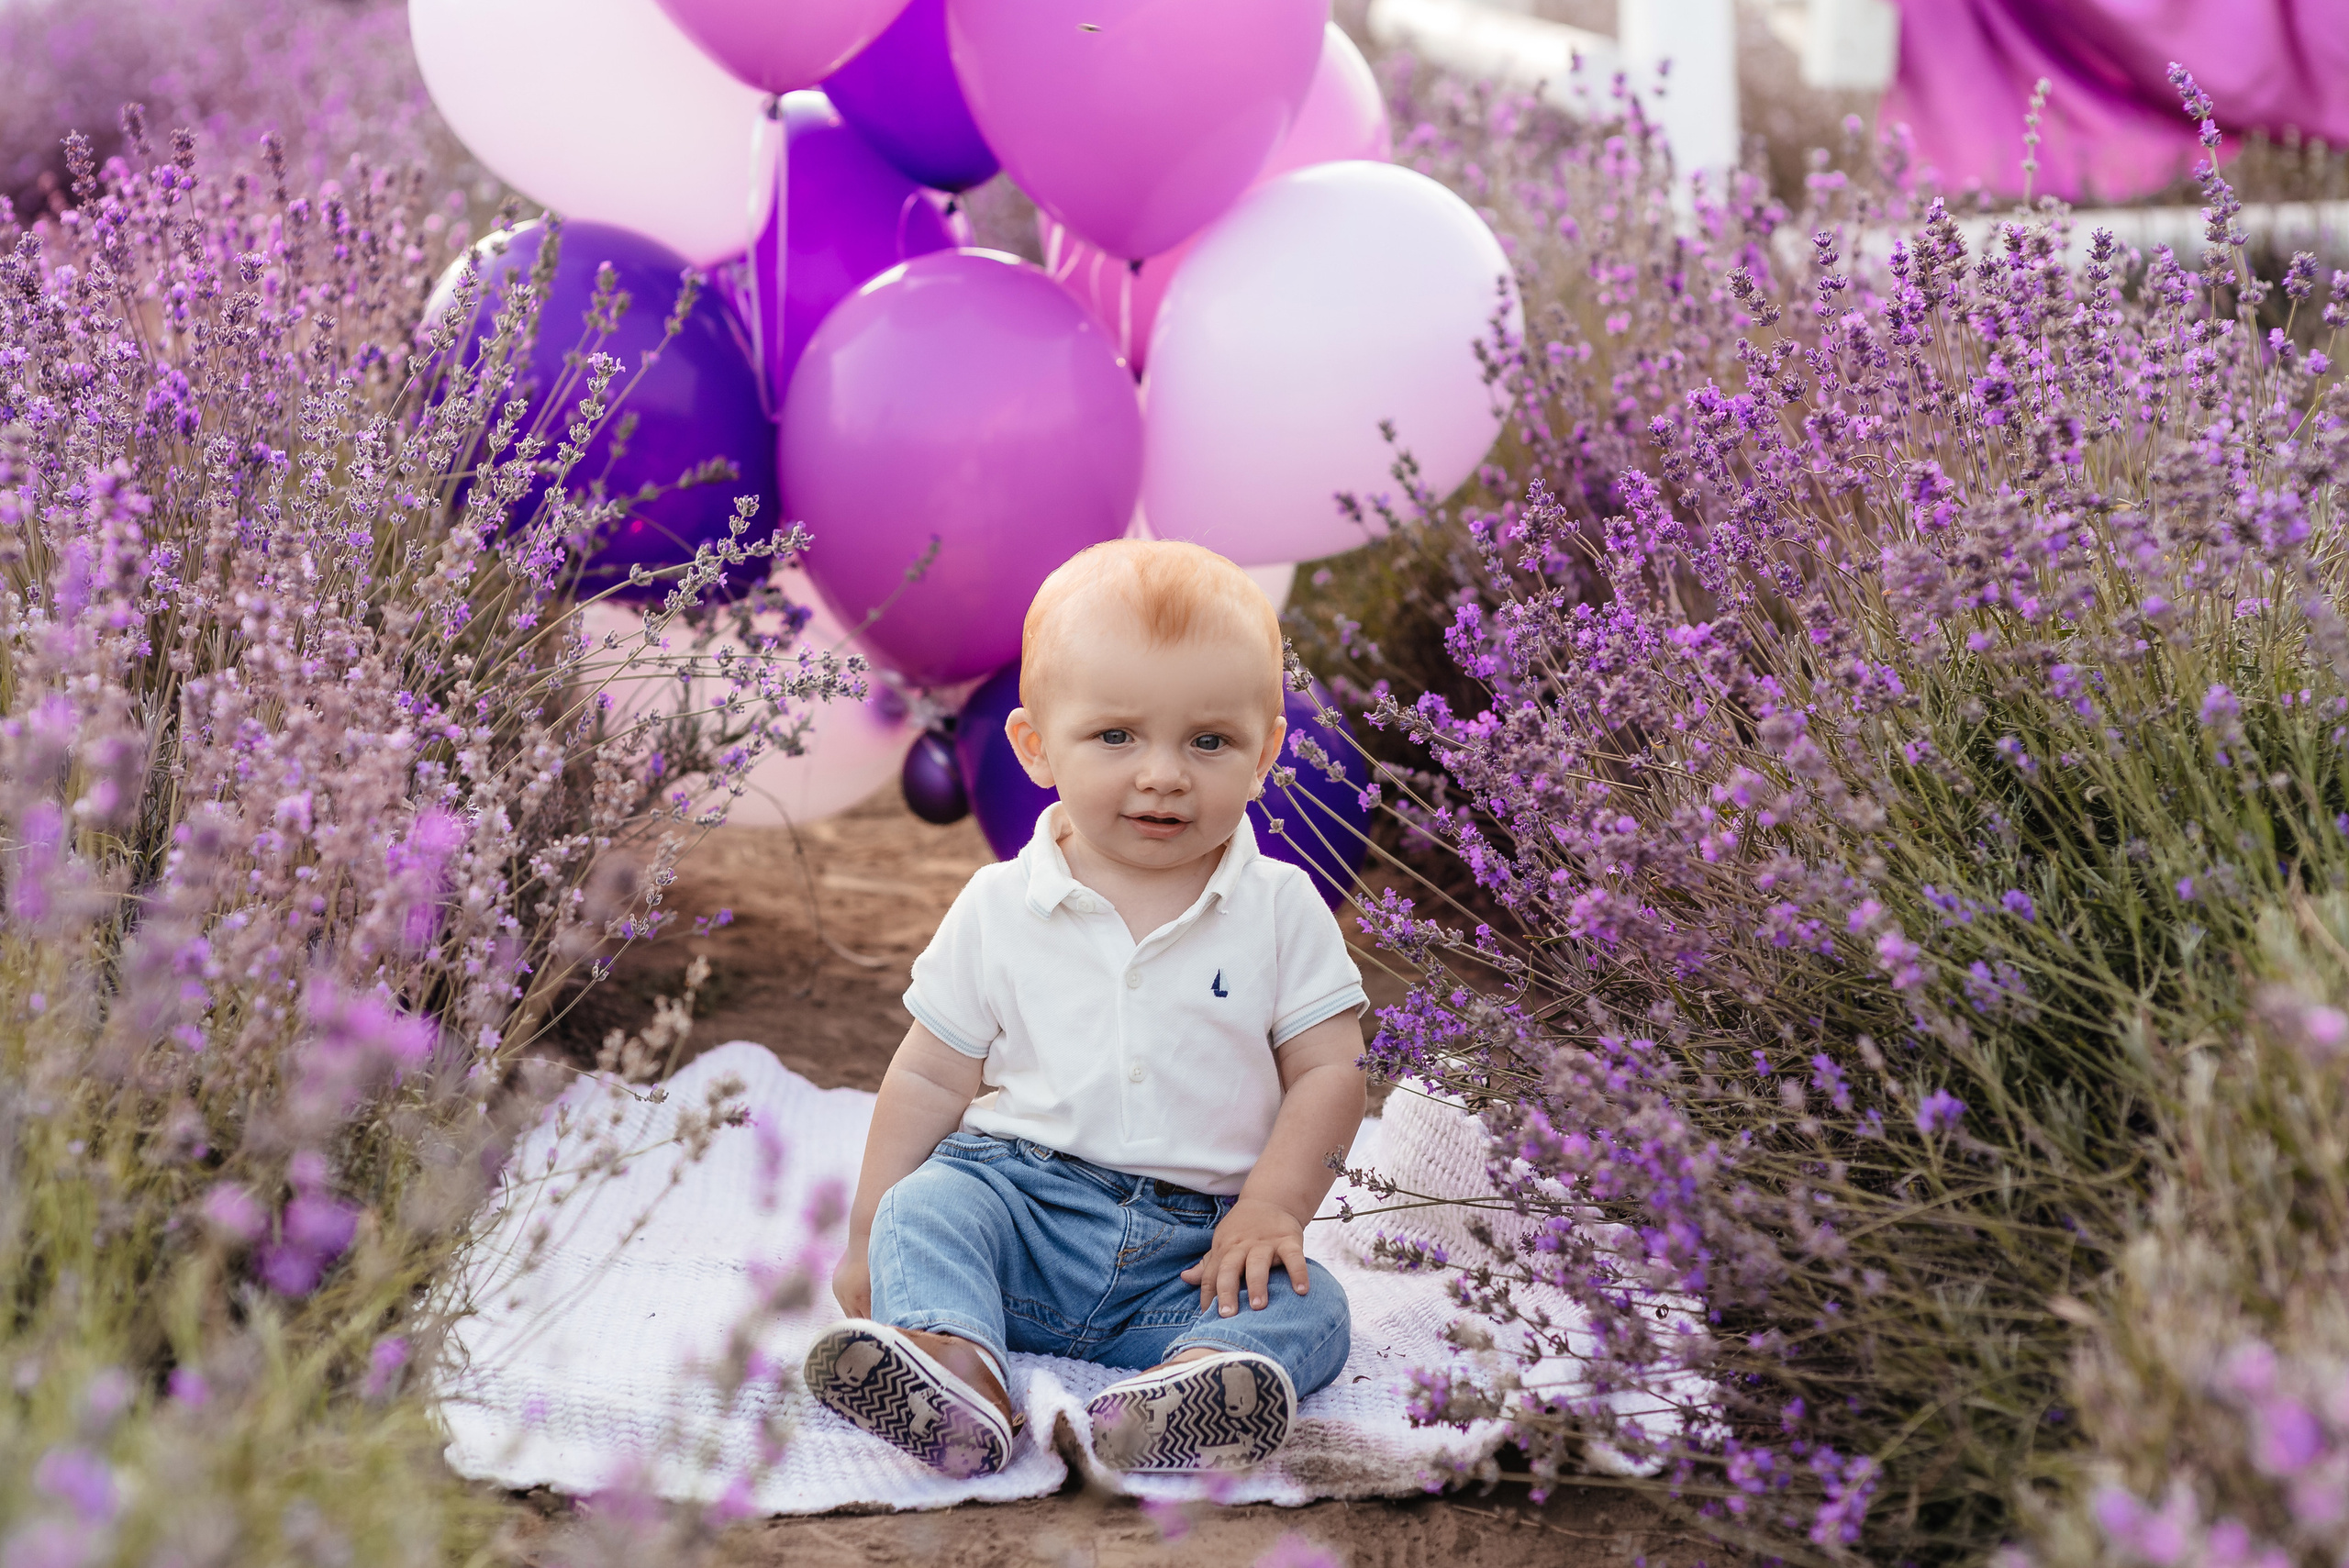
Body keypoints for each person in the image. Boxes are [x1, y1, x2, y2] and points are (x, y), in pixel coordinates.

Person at [803, 539, 1367, 1478]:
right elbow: (932, 1071)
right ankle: (957, 1368)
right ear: (1035, 746)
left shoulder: (1279, 906)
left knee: (1316, 1306)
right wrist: (866, 1231)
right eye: (1116, 736)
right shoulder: (997, 904)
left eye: (1209, 741)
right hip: (1020, 1210)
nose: (1162, 773)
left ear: (1266, 752)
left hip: (1195, 1252)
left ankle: (1189, 1385)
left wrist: (1272, 1206)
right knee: (925, 1210)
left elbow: (1329, 1067)